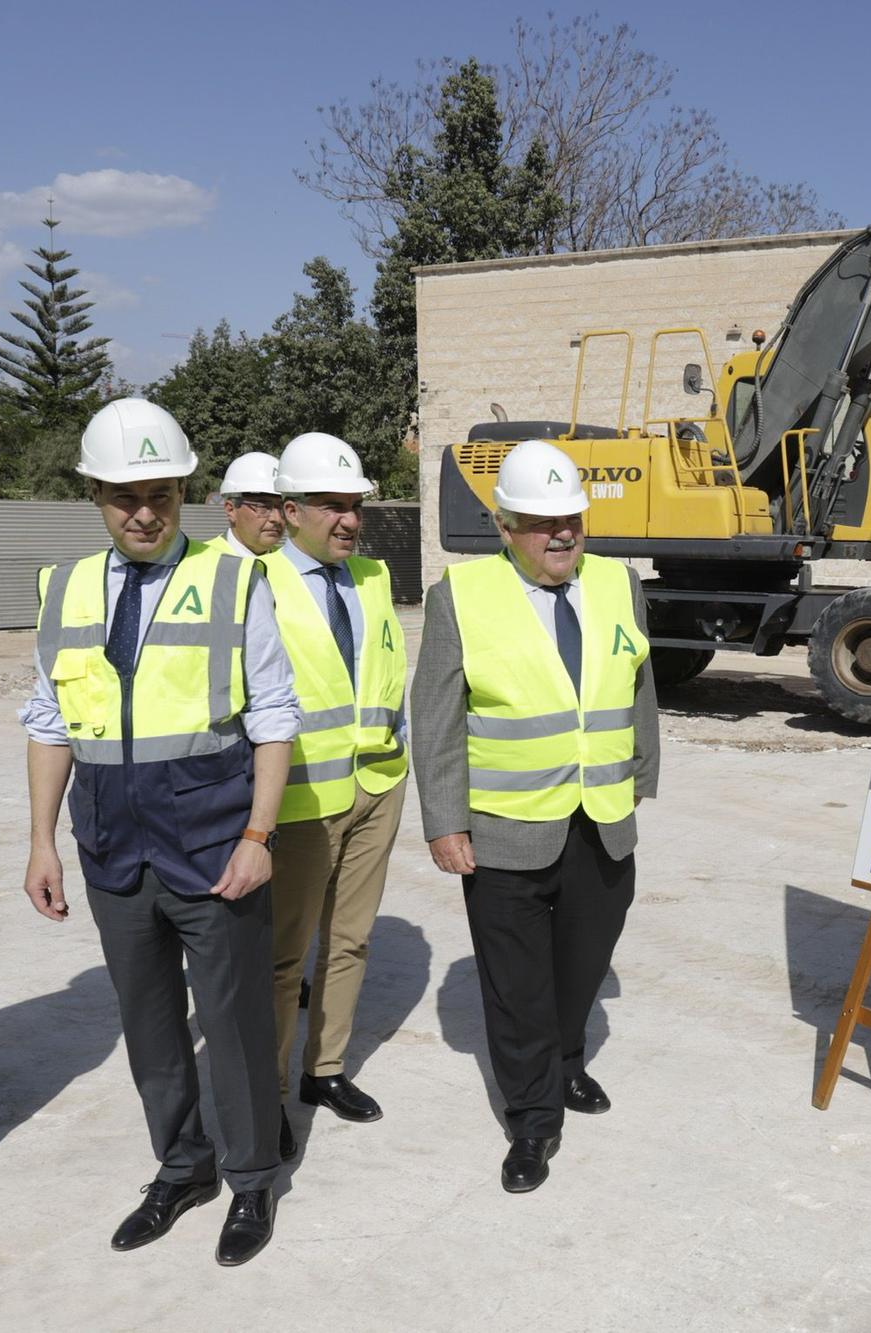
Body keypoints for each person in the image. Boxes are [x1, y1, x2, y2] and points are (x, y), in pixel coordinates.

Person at [19, 398, 298, 1267]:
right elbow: (48, 718)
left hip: (215, 846)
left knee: (236, 1019)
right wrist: (40, 841)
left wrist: (259, 834)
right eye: (122, 496)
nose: (142, 512)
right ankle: (182, 1166)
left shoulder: (233, 579)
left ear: (183, 493)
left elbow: (276, 717)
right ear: (96, 497)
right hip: (112, 850)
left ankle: (251, 1176)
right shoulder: (62, 587)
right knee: (149, 1023)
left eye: (160, 494)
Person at [413, 438, 658, 1194]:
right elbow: (435, 716)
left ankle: (564, 1062)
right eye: (541, 521)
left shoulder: (619, 584)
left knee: (581, 964)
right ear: (504, 524)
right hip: (503, 828)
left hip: (602, 818)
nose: (561, 534)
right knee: (517, 985)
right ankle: (532, 1117)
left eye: (572, 519)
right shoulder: (463, 595)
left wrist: (642, 775)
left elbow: (639, 682)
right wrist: (444, 819)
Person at [260, 434, 408, 1146]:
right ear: (290, 510)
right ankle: (267, 1094)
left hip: (377, 784)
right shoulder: (258, 584)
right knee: (285, 955)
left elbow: (390, 673)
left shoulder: (373, 578)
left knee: (350, 940)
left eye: (355, 506)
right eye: (331, 505)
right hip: (298, 801)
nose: (349, 519)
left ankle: (324, 1069)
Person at [212, 451, 284, 557]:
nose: (277, 518)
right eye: (263, 506)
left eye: (282, 508)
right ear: (230, 509)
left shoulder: (292, 565)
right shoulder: (200, 564)